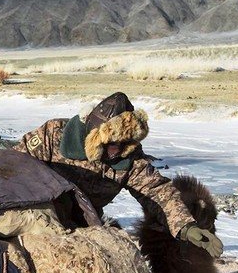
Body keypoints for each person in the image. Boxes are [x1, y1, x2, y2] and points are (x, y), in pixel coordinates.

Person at [13, 92, 222, 257]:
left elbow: (157, 192)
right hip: (37, 214)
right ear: (94, 136)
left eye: (124, 144)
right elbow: (13, 164)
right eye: (112, 144)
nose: (117, 150)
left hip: (85, 226)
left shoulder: (130, 158)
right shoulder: (53, 135)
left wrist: (185, 226)